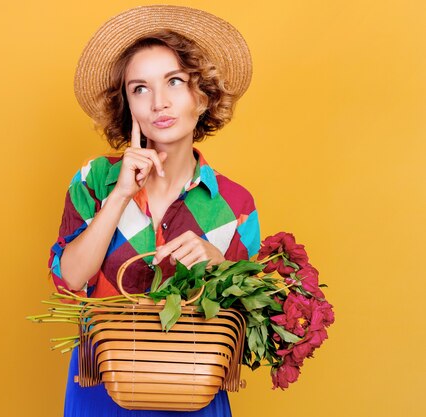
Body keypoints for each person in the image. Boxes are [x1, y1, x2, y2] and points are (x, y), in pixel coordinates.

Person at [47, 5, 261, 417]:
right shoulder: (96, 179)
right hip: (102, 386)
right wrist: (121, 195)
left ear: (203, 97)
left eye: (175, 82)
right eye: (140, 88)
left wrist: (218, 264)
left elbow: (246, 325)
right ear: (127, 104)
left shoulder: (235, 204)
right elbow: (70, 279)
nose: (158, 103)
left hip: (194, 388)